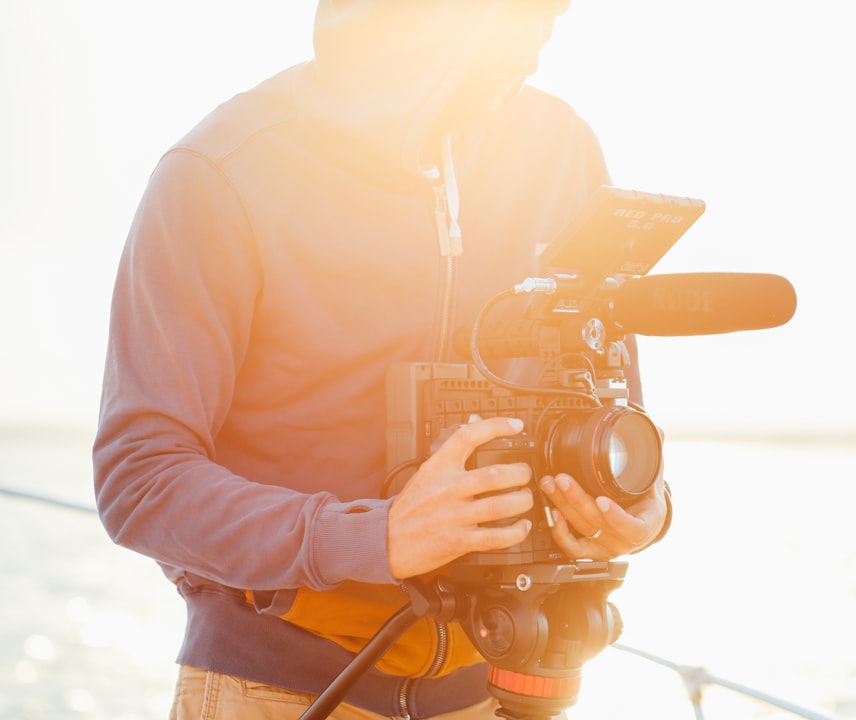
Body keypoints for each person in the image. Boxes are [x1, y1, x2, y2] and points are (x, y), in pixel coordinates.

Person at [93, 2, 672, 718]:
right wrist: (371, 536)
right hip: (273, 691)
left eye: (548, 15)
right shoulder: (219, 171)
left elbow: (613, 407)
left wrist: (642, 506)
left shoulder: (562, 149)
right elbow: (139, 479)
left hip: (502, 689)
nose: (534, 48)